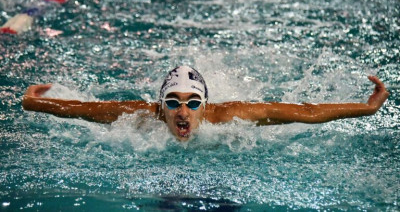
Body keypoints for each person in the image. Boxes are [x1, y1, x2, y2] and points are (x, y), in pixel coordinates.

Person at [22, 66, 389, 141]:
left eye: (193, 103)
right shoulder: (141, 114)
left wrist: (368, 108)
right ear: (160, 104)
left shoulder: (229, 117)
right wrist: (33, 102)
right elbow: (79, 110)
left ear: (205, 104)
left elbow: (306, 113)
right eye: (174, 102)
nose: (183, 112)